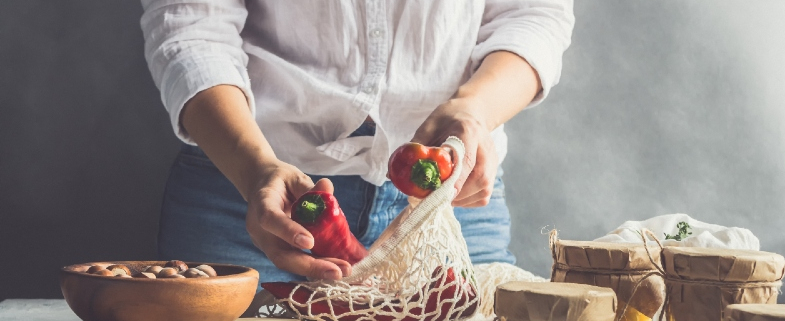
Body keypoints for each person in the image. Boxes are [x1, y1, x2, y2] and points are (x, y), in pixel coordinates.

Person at [140, 1, 574, 283]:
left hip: (450, 200)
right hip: (248, 195)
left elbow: (534, 12)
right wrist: (254, 169)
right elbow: (191, 25)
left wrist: (475, 109)